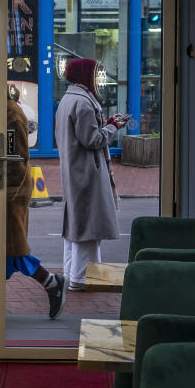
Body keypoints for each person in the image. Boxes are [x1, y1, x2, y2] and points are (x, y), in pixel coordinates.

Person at [55, 58, 128, 291]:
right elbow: (93, 139)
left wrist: (105, 124)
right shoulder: (84, 103)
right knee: (89, 228)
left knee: (75, 227)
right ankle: (81, 278)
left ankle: (71, 274)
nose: (99, 80)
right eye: (95, 74)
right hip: (87, 172)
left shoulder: (68, 99)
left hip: (74, 169)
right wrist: (113, 128)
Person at [6, 84, 68, 318]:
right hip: (5, 189)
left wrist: (7, 189)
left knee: (12, 247)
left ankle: (52, 283)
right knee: (4, 249)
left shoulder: (10, 113)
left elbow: (13, 156)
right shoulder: (3, 110)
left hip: (9, 192)